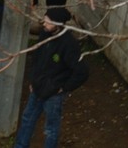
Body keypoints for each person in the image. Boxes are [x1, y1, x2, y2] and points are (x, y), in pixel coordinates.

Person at [12, 8, 89, 148]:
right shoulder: (45, 34)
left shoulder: (69, 44)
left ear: (58, 24)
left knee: (51, 128)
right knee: (27, 119)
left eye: (48, 21)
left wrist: (63, 88)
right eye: (45, 20)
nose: (44, 23)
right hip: (38, 87)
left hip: (54, 93)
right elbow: (36, 58)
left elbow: (82, 72)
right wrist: (33, 79)